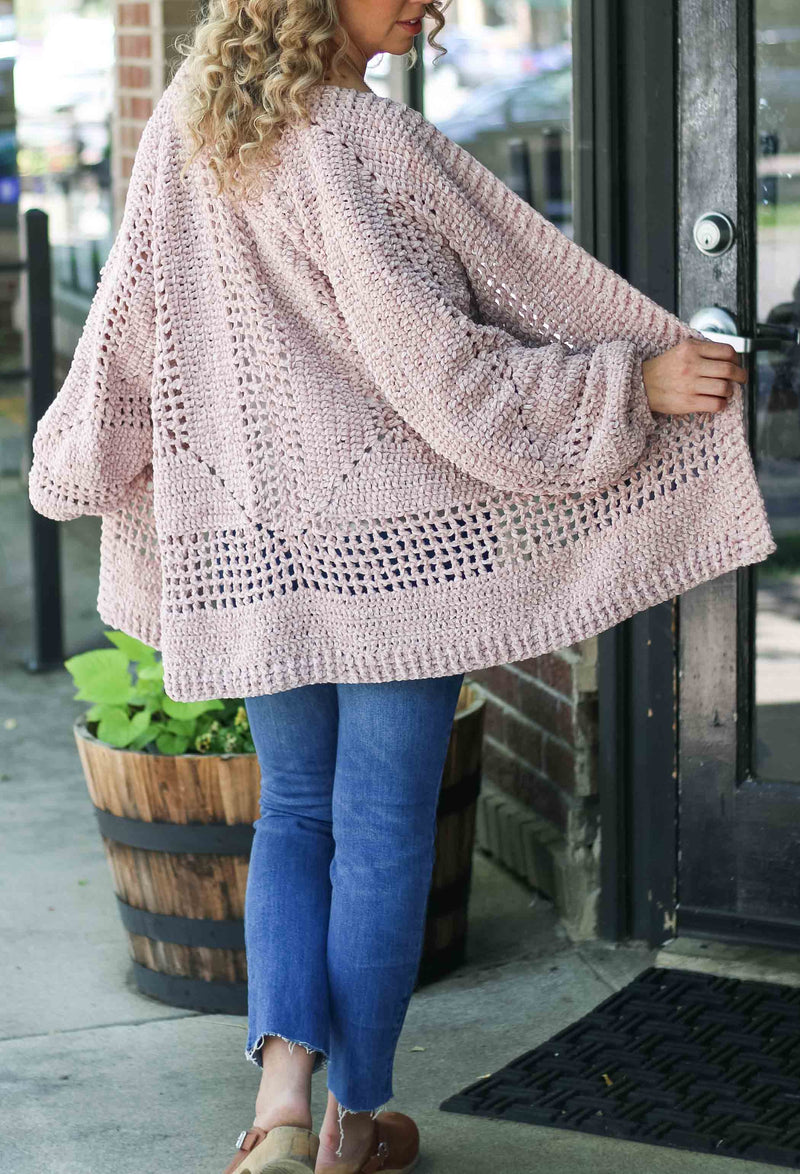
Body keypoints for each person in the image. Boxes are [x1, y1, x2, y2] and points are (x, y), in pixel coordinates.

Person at [27, 2, 775, 1172]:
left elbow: (127, 335)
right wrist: (628, 385)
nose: (433, 3)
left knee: (293, 812)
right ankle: (354, 1121)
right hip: (396, 559)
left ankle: (279, 1104)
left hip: (249, 551)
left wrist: (89, 462)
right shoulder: (369, 141)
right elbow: (449, 379)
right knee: (378, 832)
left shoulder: (186, 124)